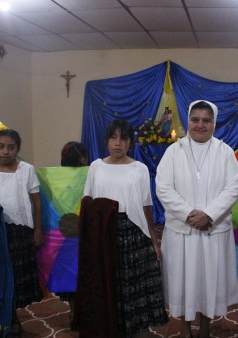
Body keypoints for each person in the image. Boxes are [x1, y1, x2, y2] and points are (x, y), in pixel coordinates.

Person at [156, 100, 238, 337]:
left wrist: (209, 214)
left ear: (214, 123)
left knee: (209, 283)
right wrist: (188, 214)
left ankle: (204, 329)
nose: (200, 125)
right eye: (195, 119)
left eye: (206, 120)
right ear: (188, 121)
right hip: (182, 231)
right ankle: (184, 329)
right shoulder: (174, 151)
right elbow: (163, 188)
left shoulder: (225, 152)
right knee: (181, 284)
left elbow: (233, 188)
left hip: (212, 231)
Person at [73, 120, 168, 337]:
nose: (118, 143)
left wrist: (153, 239)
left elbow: (146, 205)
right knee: (108, 281)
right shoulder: (96, 167)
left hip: (134, 232)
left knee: (133, 284)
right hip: (104, 232)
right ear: (106, 141)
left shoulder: (140, 169)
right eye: (113, 137)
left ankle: (134, 327)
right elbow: (87, 203)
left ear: (130, 142)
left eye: (124, 138)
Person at [0, 129, 43, 336]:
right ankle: (6, 320)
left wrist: (37, 230)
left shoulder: (27, 170)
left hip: (19, 232)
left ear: (17, 149)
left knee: (16, 277)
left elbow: (37, 202)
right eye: (1, 147)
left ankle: (11, 317)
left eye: (11, 147)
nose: (5, 151)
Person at [58, 141, 88, 330]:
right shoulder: (90, 175)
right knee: (86, 271)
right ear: (84, 159)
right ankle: (85, 312)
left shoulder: (56, 179)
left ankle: (73, 310)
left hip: (65, 230)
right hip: (84, 229)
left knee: (69, 273)